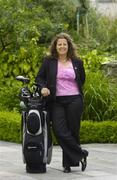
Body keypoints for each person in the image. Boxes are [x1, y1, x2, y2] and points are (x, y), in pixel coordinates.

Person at [35, 32, 89, 173]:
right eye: (59, 44)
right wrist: (43, 87)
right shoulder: (49, 61)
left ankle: (68, 164)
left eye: (65, 44)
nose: (62, 46)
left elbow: (81, 79)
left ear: (69, 46)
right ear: (55, 46)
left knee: (73, 130)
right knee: (59, 131)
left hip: (74, 100)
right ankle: (81, 154)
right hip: (56, 100)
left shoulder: (77, 62)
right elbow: (39, 78)